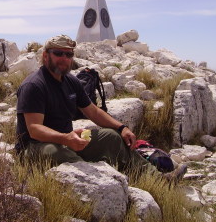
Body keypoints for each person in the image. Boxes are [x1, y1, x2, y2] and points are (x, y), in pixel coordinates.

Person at [15, 34, 186, 181]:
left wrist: (122, 127)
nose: (65, 58)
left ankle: (156, 179)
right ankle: (97, 181)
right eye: (58, 53)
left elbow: (93, 111)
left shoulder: (71, 81)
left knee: (111, 137)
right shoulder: (34, 85)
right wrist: (66, 139)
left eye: (69, 54)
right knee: (56, 152)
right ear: (46, 56)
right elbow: (34, 129)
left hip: (67, 140)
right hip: (35, 146)